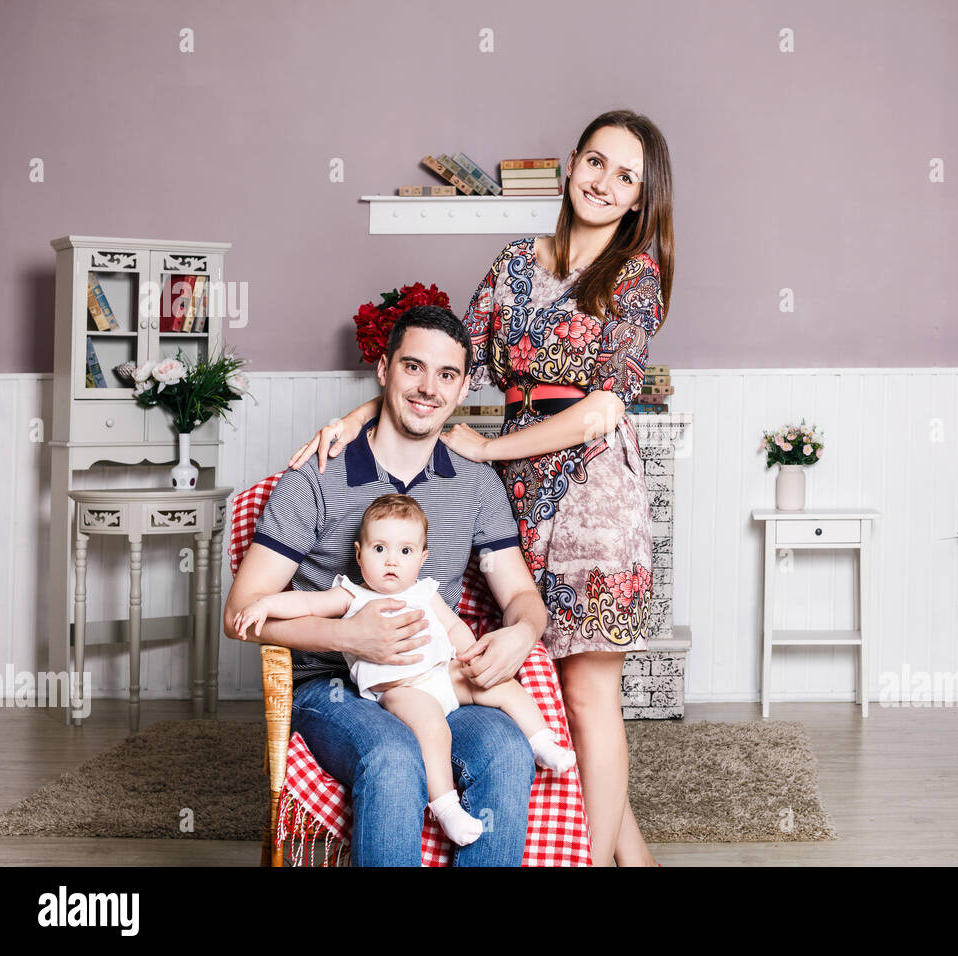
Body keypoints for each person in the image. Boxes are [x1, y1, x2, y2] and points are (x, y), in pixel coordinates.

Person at [290, 109, 674, 867]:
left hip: (595, 496)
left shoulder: (636, 277)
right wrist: (361, 412)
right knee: (550, 694)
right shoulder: (514, 262)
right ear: (572, 164)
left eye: (625, 177)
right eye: (595, 162)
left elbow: (602, 409)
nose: (603, 183)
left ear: (639, 199)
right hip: (517, 495)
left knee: (591, 694)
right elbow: (441, 361)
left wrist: (492, 445)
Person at [225, 304, 550, 867]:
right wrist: (350, 637)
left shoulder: (475, 484)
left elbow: (521, 596)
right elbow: (238, 615)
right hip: (332, 689)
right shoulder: (316, 477)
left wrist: (522, 632)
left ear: (463, 386)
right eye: (413, 368)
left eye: (446, 375)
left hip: (437, 680)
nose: (428, 388)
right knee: (394, 756)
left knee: (504, 749)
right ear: (383, 371)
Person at [232, 492, 576, 847]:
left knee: (504, 688)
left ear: (423, 558)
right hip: (400, 690)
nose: (391, 561)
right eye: (379, 549)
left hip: (443, 675)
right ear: (358, 554)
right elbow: (306, 602)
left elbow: (454, 626)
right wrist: (265, 603)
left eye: (405, 551)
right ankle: (445, 805)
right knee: (431, 726)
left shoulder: (426, 592)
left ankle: (542, 741)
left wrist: (469, 653)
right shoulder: (353, 595)